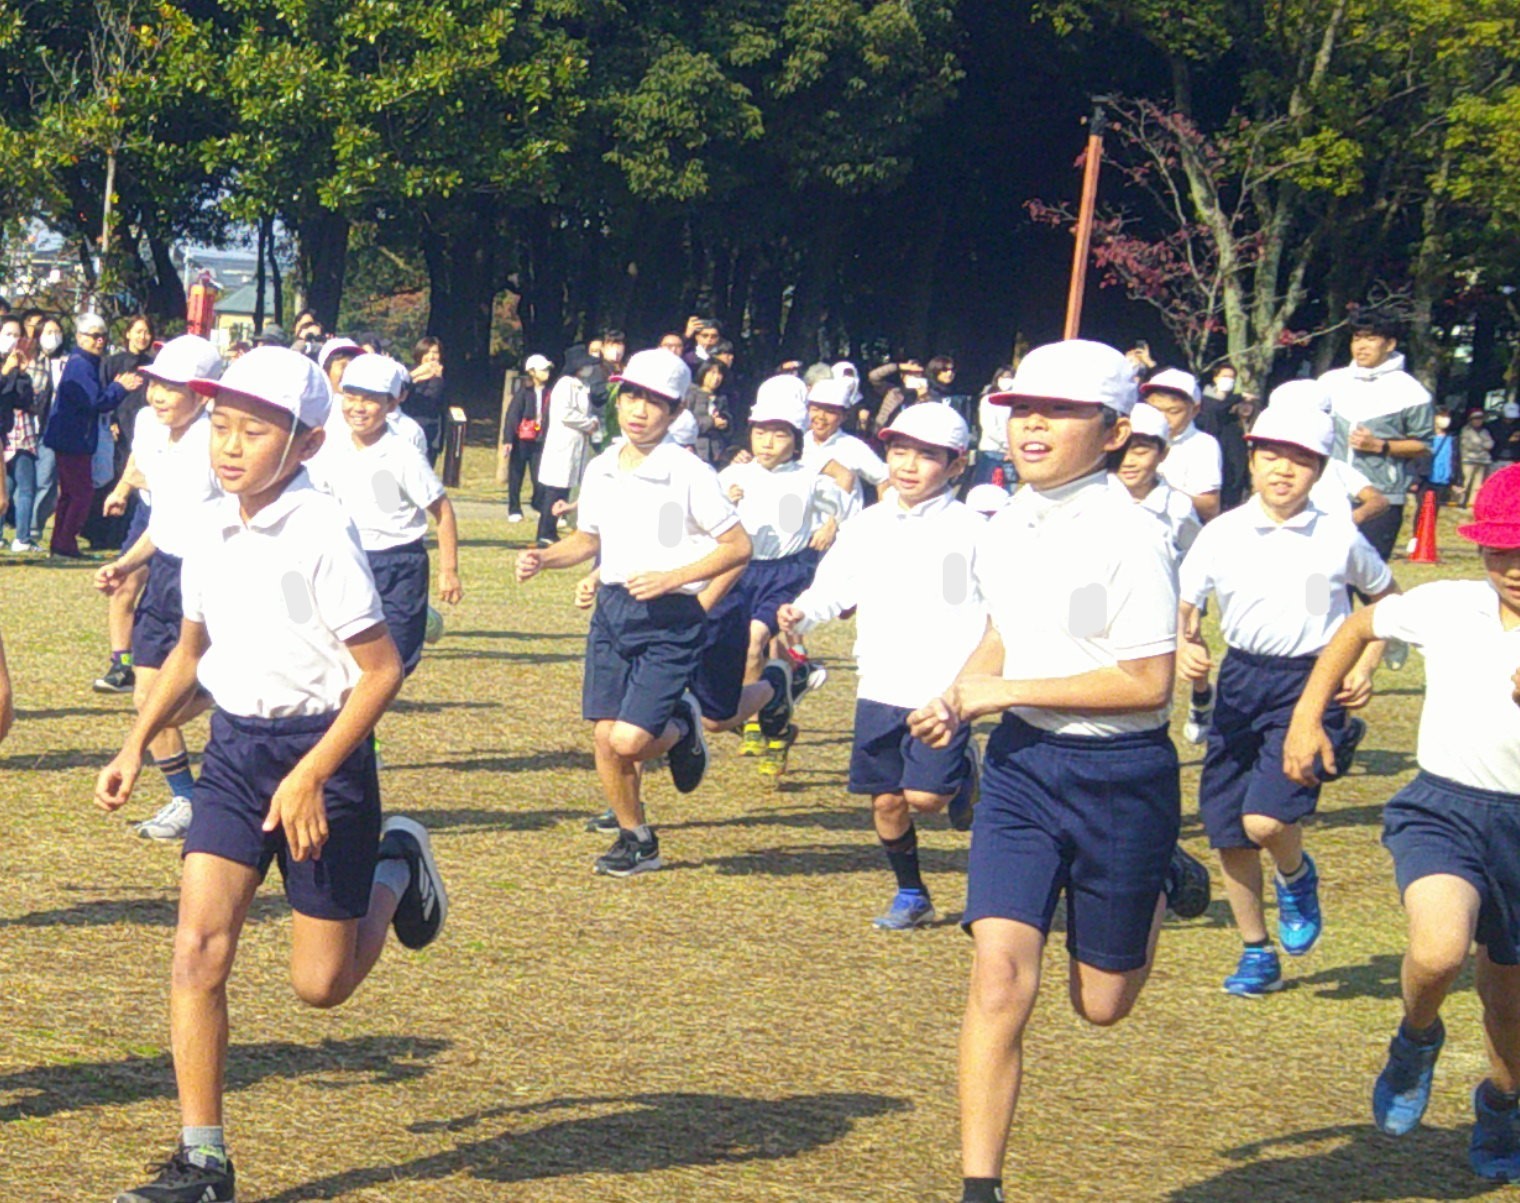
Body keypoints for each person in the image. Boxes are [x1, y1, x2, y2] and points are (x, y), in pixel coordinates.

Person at [94, 346, 448, 1203]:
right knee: (195, 951)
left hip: (325, 758)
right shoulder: (208, 524)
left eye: (255, 430)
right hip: (235, 757)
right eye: (221, 425)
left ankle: (397, 863)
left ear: (306, 443)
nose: (231, 444)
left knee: (319, 986)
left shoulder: (322, 532)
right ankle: (204, 1160)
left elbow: (382, 669)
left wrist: (315, 773)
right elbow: (191, 651)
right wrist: (137, 740)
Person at [907, 340, 1196, 1203]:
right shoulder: (1005, 524)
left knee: (1101, 1005)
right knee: (998, 971)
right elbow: (1003, 630)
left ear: (1113, 433)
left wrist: (998, 689)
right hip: (1025, 768)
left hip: (1124, 776)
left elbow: (1148, 682)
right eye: (1024, 409)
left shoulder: (1134, 537)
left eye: (1062, 411)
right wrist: (961, 693)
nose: (1034, 424)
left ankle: (1156, 875)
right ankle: (979, 1186)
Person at [1284, 463, 1520, 1179]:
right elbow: (1360, 623)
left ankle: (1504, 1103)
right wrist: (1306, 716)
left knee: (1507, 1003)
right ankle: (1416, 1037)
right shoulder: (1449, 604)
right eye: (1501, 549)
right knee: (1440, 949)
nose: (1513, 567)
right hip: (1445, 808)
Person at [1177, 402, 1394, 996]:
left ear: (1321, 470)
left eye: (1300, 460)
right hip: (1241, 683)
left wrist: (1368, 662)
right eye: (1271, 455)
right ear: (1250, 458)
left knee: (1265, 818)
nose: (1282, 470)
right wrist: (1185, 644)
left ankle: (1297, 878)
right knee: (1227, 830)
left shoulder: (1337, 533)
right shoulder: (1222, 531)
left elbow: (1384, 597)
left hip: (1311, 684)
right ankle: (1256, 951)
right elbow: (1187, 602)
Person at [514, 348, 751, 877]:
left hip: (671, 617)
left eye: (655, 402)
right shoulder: (601, 468)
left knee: (629, 740)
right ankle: (636, 837)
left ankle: (684, 726)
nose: (640, 410)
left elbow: (738, 547)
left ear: (674, 411)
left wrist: (673, 578)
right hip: (613, 611)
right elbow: (587, 539)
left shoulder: (690, 472)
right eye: (633, 397)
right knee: (604, 737)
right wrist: (544, 558)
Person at [780, 403, 984, 929]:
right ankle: (912, 894)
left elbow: (999, 611)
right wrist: (803, 612)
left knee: (926, 798)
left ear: (956, 466)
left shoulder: (976, 531)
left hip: (943, 688)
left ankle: (963, 773)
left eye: (927, 455)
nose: (909, 466)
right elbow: (834, 586)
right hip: (880, 682)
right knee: (887, 802)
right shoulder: (866, 525)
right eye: (899, 452)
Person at [93, 335, 226, 841]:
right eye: (156, 384)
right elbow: (166, 519)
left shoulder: (219, 441)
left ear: (203, 394)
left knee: (160, 704)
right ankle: (186, 799)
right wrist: (126, 564)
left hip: (211, 573)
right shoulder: (148, 428)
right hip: (166, 572)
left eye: (173, 387)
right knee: (145, 699)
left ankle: (225, 688)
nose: (158, 395)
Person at [310, 352, 463, 679]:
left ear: (391, 405)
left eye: (369, 400)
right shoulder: (331, 446)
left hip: (399, 563)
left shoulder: (402, 453)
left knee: (395, 662)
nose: (357, 407)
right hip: (349, 559)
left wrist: (448, 571)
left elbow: (442, 511)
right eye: (351, 397)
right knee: (343, 656)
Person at [718, 378, 844, 773]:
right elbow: (705, 524)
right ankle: (781, 715)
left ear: (796, 437)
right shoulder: (731, 478)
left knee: (757, 642)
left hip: (785, 574)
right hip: (739, 572)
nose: (767, 442)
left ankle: (753, 721)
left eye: (779, 434)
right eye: (760, 432)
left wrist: (833, 524)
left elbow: (846, 506)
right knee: (742, 652)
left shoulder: (811, 480)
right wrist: (727, 502)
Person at [1321, 310, 1434, 562]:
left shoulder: (1411, 391)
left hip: (1382, 498)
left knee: (1368, 581)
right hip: (1329, 495)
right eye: (1356, 338)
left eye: (1370, 339)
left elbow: (1424, 446)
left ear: (1390, 344)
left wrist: (1380, 446)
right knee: (1324, 580)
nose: (1361, 346)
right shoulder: (1330, 382)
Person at [42, 314, 141, 558]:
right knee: (81, 493)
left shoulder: (84, 363)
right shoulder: (81, 364)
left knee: (70, 493)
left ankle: (61, 541)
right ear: (79, 337)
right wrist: (119, 388)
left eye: (103, 336)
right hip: (74, 439)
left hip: (72, 437)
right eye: (94, 336)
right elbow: (95, 401)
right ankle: (65, 542)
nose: (99, 341)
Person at [1114, 401, 1201, 560]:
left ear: (1163, 453)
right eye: (1119, 452)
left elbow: (1194, 562)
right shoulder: (1095, 496)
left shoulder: (1178, 508)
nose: (1128, 461)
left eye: (1140, 451)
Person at [1141, 368, 1222, 522]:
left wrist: (1158, 488)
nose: (1163, 418)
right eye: (1155, 410)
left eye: (1173, 411)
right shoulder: (1130, 436)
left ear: (1194, 410)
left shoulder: (1202, 445)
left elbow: (1210, 507)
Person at [802, 377, 889, 516]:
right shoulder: (798, 444)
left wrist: (883, 517)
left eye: (830, 412)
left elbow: (884, 478)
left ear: (844, 416)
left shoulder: (852, 447)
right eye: (816, 409)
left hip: (842, 530)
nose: (821, 417)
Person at [1, 314, 36, 548]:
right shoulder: (5, 367)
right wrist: (4, 373)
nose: (12, 340)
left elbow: (23, 401)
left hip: (4, 434)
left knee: (3, 499)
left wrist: (22, 374)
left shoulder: (13, 365)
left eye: (17, 335)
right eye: (8, 334)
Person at [502, 354, 551, 522]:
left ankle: (537, 503)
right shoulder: (523, 392)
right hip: (521, 439)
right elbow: (512, 416)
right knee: (516, 474)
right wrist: (508, 440)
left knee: (539, 476)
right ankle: (514, 508)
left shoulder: (549, 392)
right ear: (532, 372)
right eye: (543, 370)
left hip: (540, 439)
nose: (546, 373)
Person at [1197, 363, 1251, 508]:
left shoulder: (1234, 403)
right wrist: (1237, 398)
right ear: (1215, 378)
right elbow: (1215, 410)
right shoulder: (1205, 399)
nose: (1229, 380)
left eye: (1232, 377)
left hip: (1233, 460)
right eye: (1225, 376)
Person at [971, 366, 1017, 489]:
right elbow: (989, 427)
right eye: (1004, 377)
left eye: (1011, 377)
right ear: (997, 378)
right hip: (991, 451)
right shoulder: (988, 400)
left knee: (1008, 489)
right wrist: (1009, 445)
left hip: (1011, 453)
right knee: (985, 487)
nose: (1007, 380)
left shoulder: (1017, 402)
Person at [406, 337, 447, 463]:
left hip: (430, 432)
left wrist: (438, 378)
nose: (431, 357)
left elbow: (432, 400)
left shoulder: (439, 378)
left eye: (435, 352)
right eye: (427, 352)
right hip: (407, 428)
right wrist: (416, 376)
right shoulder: (409, 372)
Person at [1461, 407, 1496, 508]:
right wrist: (1482, 444)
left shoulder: (1485, 431)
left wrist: (1479, 444)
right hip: (1468, 461)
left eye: (1480, 418)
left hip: (1482, 461)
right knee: (1465, 484)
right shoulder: (1465, 430)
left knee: (1478, 486)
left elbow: (1491, 444)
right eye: (1476, 418)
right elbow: (1469, 445)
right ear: (1470, 419)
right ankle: (1460, 503)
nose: (1478, 420)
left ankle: (1472, 505)